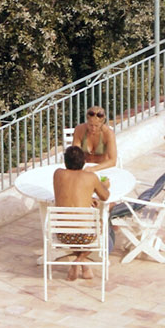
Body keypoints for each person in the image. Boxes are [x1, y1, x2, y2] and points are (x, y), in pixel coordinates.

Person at [51, 145, 109, 279]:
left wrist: (86, 198)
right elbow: (105, 196)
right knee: (101, 224)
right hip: (85, 236)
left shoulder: (58, 174)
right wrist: (105, 185)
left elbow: (68, 192)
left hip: (63, 234)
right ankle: (79, 260)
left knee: (72, 225)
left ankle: (84, 266)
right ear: (84, 162)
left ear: (65, 161)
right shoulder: (91, 177)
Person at [71, 106, 117, 171]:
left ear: (102, 123)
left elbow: (112, 161)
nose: (93, 128)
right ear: (87, 121)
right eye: (90, 125)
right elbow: (75, 153)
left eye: (96, 126)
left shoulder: (108, 134)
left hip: (102, 168)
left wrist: (93, 168)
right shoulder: (79, 130)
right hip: (84, 167)